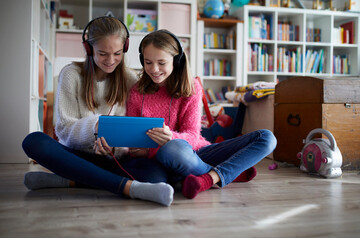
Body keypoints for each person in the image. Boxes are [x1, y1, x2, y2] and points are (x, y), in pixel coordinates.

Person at [22, 17, 174, 207]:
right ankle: (129, 188)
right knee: (34, 142)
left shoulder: (130, 79)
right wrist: (94, 127)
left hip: (115, 160)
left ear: (125, 48)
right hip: (78, 156)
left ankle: (72, 180)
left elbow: (135, 125)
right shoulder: (71, 75)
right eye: (102, 53)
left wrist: (122, 148)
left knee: (156, 175)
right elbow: (63, 130)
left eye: (117, 53)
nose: (111, 61)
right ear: (89, 49)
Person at [126, 30, 277, 199]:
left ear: (177, 61)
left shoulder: (191, 88)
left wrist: (171, 138)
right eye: (148, 62)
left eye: (161, 63)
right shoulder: (136, 92)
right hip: (160, 161)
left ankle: (208, 179)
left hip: (197, 153)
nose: (154, 69)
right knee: (171, 152)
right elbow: (132, 138)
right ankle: (227, 173)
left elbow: (192, 135)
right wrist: (140, 151)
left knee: (267, 138)